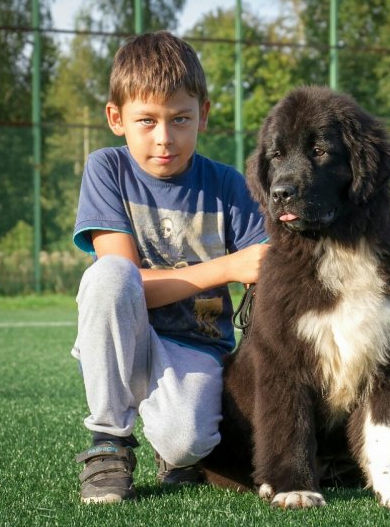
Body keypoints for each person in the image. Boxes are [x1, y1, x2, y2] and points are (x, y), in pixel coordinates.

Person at [71, 31, 268, 504]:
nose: (164, 138)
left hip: (197, 344)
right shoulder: (107, 169)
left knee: (190, 444)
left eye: (180, 119)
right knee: (109, 277)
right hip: (126, 337)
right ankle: (109, 443)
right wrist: (228, 267)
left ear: (202, 114)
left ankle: (169, 451)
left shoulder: (228, 184)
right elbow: (127, 281)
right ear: (117, 119)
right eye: (147, 121)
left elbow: (265, 269)